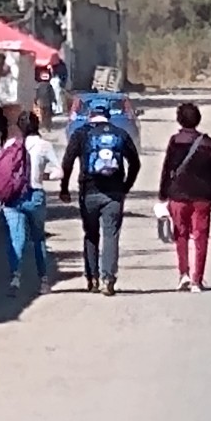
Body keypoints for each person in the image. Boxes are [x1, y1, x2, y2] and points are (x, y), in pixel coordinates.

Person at [60, 103, 141, 296]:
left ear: (90, 116)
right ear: (107, 116)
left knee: (91, 235)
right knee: (111, 235)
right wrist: (125, 186)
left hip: (88, 192)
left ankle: (92, 278)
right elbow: (135, 163)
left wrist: (64, 188)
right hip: (114, 194)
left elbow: (68, 162)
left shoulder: (81, 134)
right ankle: (108, 279)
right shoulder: (120, 133)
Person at [158, 103, 211, 292]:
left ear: (179, 119)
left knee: (181, 235)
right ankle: (197, 279)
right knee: (201, 237)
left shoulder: (175, 141)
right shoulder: (208, 143)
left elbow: (167, 168)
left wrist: (163, 193)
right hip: (202, 196)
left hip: (178, 195)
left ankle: (183, 273)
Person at [1, 111, 62, 297]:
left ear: (19, 127)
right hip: (35, 195)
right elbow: (59, 172)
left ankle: (15, 278)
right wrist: (44, 176)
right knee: (38, 239)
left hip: (13, 197)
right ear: (38, 125)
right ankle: (43, 281)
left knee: (16, 240)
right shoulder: (44, 146)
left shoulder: (11, 145)